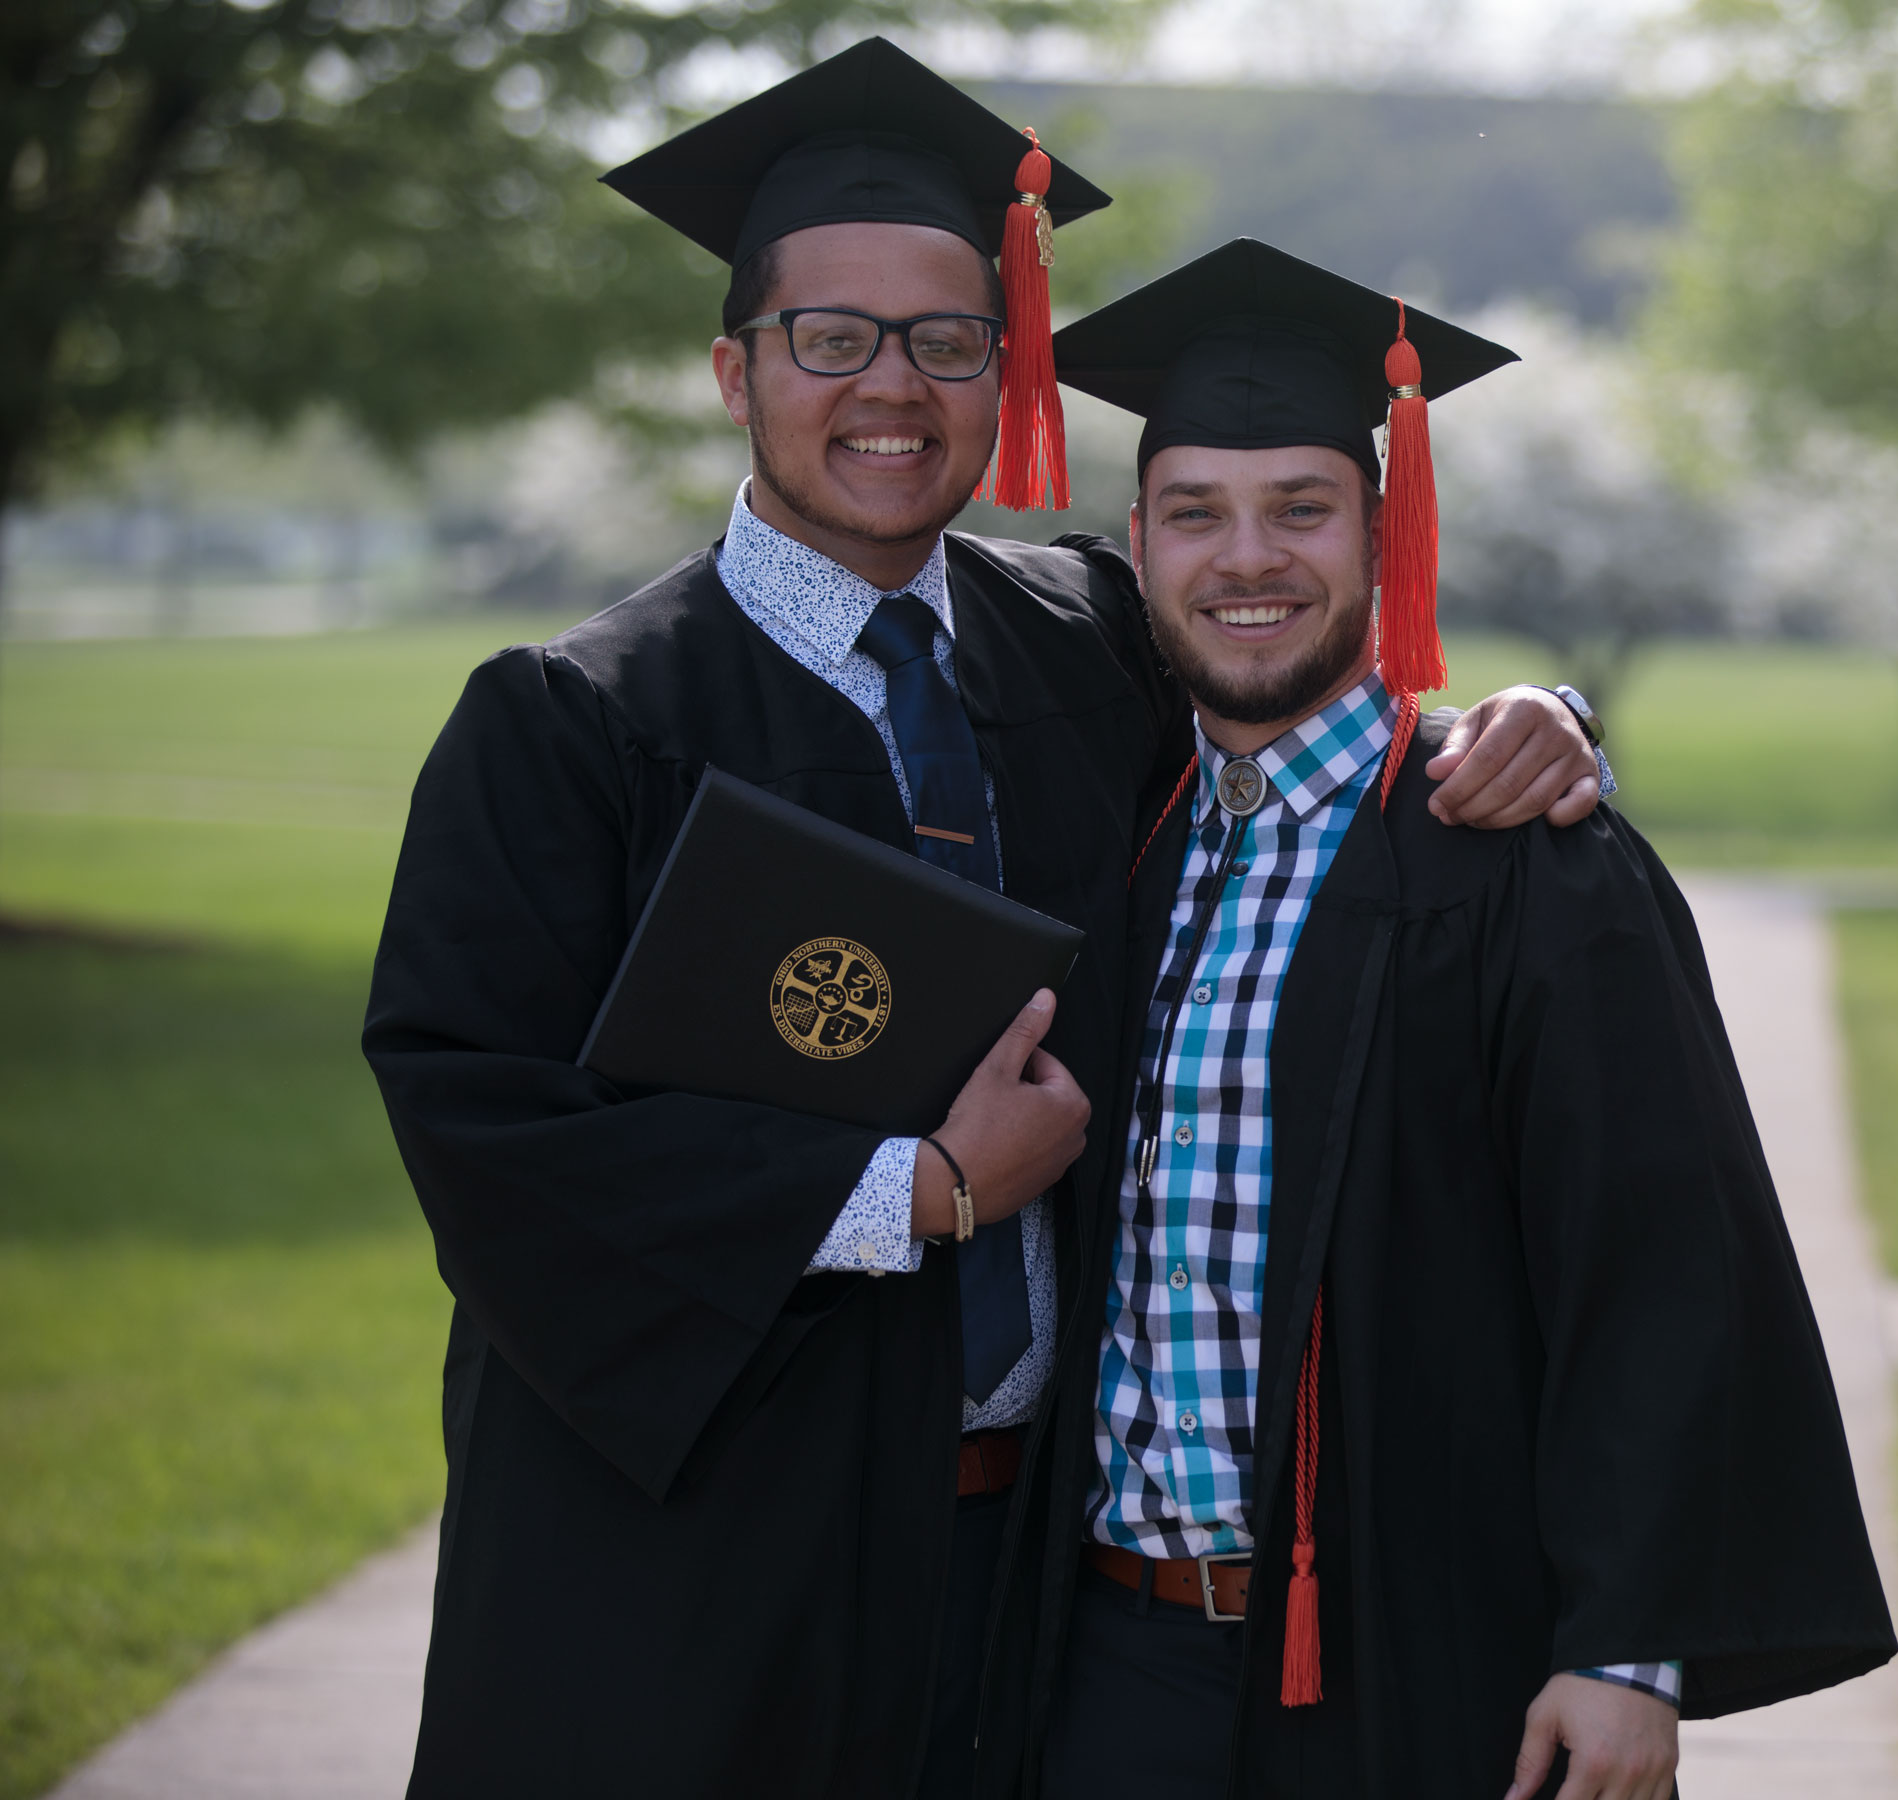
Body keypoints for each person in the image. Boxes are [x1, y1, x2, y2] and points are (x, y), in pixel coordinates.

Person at [361, 47, 1605, 1800]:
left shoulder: (1088, 644)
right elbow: (485, 1130)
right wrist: (922, 1195)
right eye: (832, 337)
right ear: (736, 372)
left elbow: (1292, 687)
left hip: (1023, 1580)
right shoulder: (573, 723)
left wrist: (1529, 716)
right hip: (692, 1567)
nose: (893, 386)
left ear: (1006, 369)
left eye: (951, 340)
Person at [1018, 239, 1898, 1800]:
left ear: (1385, 530)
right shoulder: (1112, 840)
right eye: (1197, 514)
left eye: (1302, 509)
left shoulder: (1527, 864)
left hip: (1430, 1664)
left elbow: (1655, 1270)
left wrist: (1628, 1648)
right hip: (1109, 1665)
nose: (1249, 559)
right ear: (1136, 543)